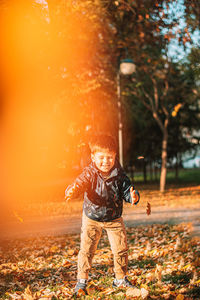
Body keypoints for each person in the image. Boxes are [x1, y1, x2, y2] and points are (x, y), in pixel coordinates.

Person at [65, 134, 140, 295]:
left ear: (115, 157)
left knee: (121, 249)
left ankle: (120, 279)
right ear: (93, 157)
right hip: (92, 218)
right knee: (87, 249)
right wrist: (73, 190)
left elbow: (128, 190)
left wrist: (133, 197)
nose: (105, 161)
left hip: (114, 219)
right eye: (101, 157)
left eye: (109, 157)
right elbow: (79, 183)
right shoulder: (89, 173)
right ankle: (82, 281)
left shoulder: (120, 176)